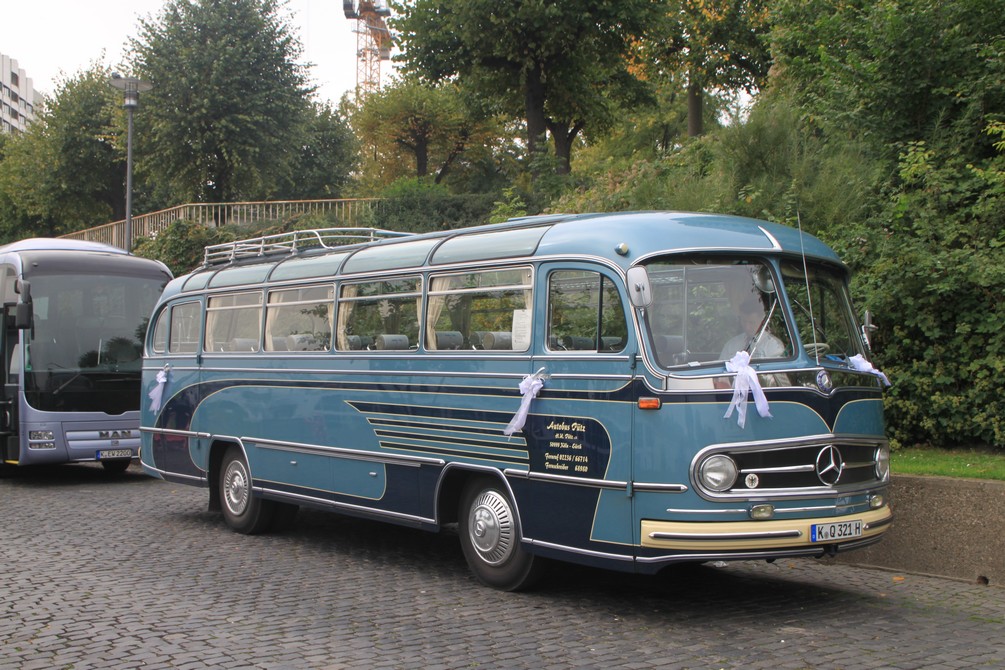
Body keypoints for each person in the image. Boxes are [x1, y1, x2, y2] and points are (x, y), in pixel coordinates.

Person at [720, 297, 785, 360]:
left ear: (762, 321)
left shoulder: (773, 346)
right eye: (744, 321)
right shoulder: (732, 345)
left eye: (752, 323)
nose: (747, 327)